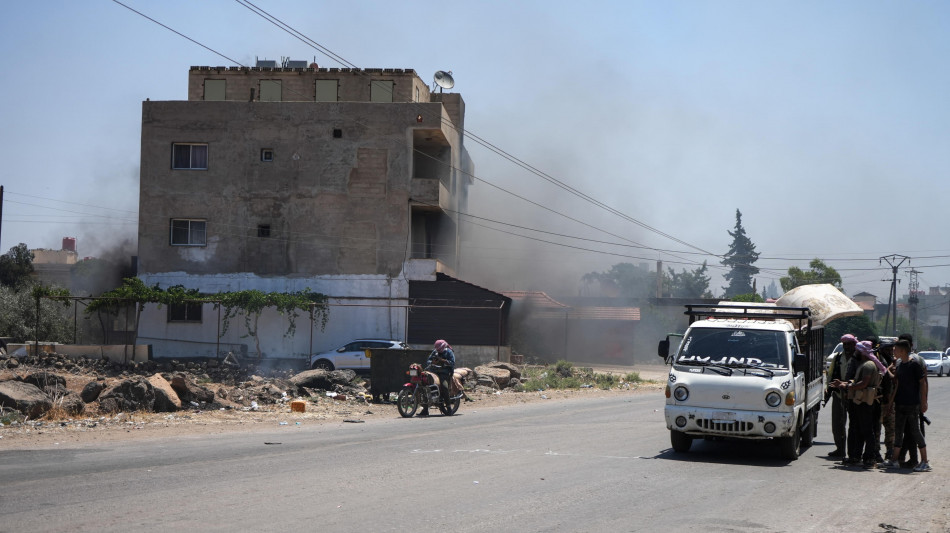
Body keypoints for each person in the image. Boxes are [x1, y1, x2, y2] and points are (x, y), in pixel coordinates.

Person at [881, 339, 930, 472]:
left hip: (912, 404)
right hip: (900, 403)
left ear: (902, 351)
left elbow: (922, 383)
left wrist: (924, 402)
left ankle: (925, 461)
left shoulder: (914, 365)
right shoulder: (899, 363)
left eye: (895, 349)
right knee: (898, 432)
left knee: (915, 431)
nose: (893, 352)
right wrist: (891, 403)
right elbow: (897, 384)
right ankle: (894, 460)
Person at [832, 341, 881, 467]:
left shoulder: (868, 365)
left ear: (862, 352)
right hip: (859, 401)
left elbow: (864, 383)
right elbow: (856, 381)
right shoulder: (863, 364)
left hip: (864, 402)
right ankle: (856, 456)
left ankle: (869, 457)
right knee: (858, 430)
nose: (855, 353)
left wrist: (847, 386)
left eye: (857, 350)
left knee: (867, 430)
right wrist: (843, 383)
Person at [825, 334, 857, 457]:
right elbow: (830, 373)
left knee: (855, 425)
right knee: (837, 424)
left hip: (854, 394)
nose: (847, 346)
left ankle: (854, 452)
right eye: (845, 344)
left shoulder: (858, 357)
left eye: (849, 344)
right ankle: (840, 449)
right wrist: (828, 388)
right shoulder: (837, 357)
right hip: (839, 394)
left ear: (854, 344)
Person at [419, 339, 456, 417]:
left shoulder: (449, 352)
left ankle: (449, 408)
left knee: (444, 387)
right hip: (434, 372)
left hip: (445, 373)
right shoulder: (435, 352)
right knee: (426, 386)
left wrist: (442, 360)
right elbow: (428, 360)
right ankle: (425, 409)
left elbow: (452, 363)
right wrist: (432, 362)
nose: (438, 351)